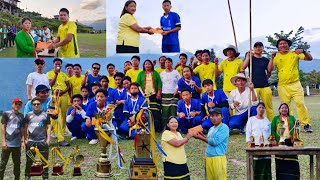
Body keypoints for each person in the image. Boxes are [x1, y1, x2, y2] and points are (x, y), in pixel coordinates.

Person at [270, 38, 313, 132]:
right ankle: (288, 124)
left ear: (288, 45)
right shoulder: (276, 57)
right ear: (278, 47)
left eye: (284, 43)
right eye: (280, 44)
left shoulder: (295, 53)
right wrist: (272, 57)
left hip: (295, 84)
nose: (282, 45)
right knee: (285, 107)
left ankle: (306, 124)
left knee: (300, 103)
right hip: (282, 86)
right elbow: (270, 69)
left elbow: (309, 58)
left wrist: (303, 51)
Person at [193, 108, 229, 180]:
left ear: (222, 117)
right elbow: (209, 140)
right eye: (212, 116)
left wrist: (200, 138)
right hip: (209, 157)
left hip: (218, 157)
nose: (214, 118)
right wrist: (202, 135)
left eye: (217, 115)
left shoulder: (224, 127)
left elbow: (215, 142)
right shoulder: (211, 128)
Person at [242, 42, 274, 122]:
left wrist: (272, 59)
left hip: (265, 86)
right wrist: (247, 57)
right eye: (256, 47)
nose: (258, 48)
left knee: (268, 106)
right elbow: (243, 67)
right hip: (254, 87)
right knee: (254, 107)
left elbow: (269, 70)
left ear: (263, 48)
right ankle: (254, 123)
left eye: (260, 47)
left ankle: (271, 123)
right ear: (253, 48)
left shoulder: (265, 60)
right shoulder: (251, 59)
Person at [271, 103, 300, 179]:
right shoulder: (275, 119)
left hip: (290, 142)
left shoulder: (292, 118)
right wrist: (274, 139)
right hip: (279, 142)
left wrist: (297, 123)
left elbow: (296, 129)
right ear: (279, 110)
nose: (284, 109)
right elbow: (272, 129)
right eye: (282, 108)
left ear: (288, 110)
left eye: (286, 108)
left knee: (293, 161)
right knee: (280, 162)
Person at [24, 97, 51, 180]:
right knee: (29, 161)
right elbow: (25, 127)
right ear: (32, 105)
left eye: (38, 104)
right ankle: (27, 176)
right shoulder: (28, 115)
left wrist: (48, 139)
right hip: (31, 142)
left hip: (42, 141)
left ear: (40, 105)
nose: (36, 105)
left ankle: (45, 177)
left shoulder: (45, 115)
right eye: (34, 104)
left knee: (44, 161)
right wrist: (25, 139)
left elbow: (48, 127)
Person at [47, 58, 70, 146]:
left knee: (62, 115)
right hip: (53, 97)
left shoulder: (64, 75)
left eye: (59, 64)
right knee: (54, 116)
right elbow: (50, 85)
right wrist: (55, 75)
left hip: (63, 96)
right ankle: (54, 135)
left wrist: (63, 92)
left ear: (61, 65)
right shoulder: (49, 73)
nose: (57, 66)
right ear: (53, 65)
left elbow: (68, 87)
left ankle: (61, 132)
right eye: (56, 64)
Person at [0, 98, 25, 180]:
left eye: (19, 104)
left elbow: (22, 129)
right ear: (12, 104)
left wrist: (22, 141)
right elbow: (3, 127)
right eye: (16, 103)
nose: (17, 105)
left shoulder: (21, 116)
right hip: (7, 144)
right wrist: (3, 142)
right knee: (2, 165)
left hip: (17, 145)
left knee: (17, 164)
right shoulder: (6, 114)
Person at [246, 102, 271, 180]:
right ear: (256, 109)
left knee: (266, 166)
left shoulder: (267, 120)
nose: (261, 109)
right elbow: (248, 132)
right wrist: (249, 142)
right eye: (259, 107)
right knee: (256, 166)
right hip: (255, 146)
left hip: (265, 146)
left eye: (263, 108)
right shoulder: (251, 119)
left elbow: (269, 133)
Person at [136, 60, 163, 132]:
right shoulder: (140, 74)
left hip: (154, 95)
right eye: (146, 64)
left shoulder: (155, 73)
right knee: (145, 112)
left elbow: (159, 83)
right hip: (144, 96)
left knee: (155, 112)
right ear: (144, 66)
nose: (147, 65)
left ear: (151, 65)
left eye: (149, 64)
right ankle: (146, 128)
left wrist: (158, 93)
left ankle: (157, 128)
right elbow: (137, 84)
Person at [160, 58, 180, 127]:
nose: (167, 64)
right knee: (165, 112)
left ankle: (174, 127)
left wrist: (177, 90)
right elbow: (160, 84)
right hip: (165, 94)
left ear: (172, 63)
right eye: (166, 62)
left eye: (169, 62)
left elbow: (179, 82)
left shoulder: (176, 72)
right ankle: (165, 127)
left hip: (174, 94)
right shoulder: (162, 73)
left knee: (173, 111)